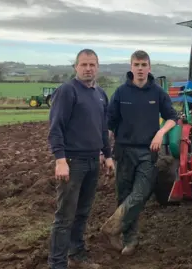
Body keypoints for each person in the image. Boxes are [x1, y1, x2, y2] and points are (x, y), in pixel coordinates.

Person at [100, 50, 178, 255]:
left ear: (149, 68)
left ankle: (112, 226)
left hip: (148, 151)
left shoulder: (157, 92)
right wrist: (104, 151)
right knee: (124, 195)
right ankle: (129, 239)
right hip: (124, 151)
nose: (140, 68)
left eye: (144, 65)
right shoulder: (120, 93)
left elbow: (172, 117)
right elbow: (109, 124)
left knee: (141, 192)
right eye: (137, 65)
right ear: (131, 67)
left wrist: (161, 133)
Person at [47, 48, 115, 269]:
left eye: (92, 64)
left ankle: (76, 254)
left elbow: (102, 129)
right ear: (75, 67)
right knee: (65, 216)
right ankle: (57, 264)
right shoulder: (67, 91)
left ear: (98, 67)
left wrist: (108, 155)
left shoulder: (100, 94)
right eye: (84, 64)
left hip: (93, 161)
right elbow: (56, 128)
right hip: (73, 163)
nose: (88, 68)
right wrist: (60, 160)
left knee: (83, 212)